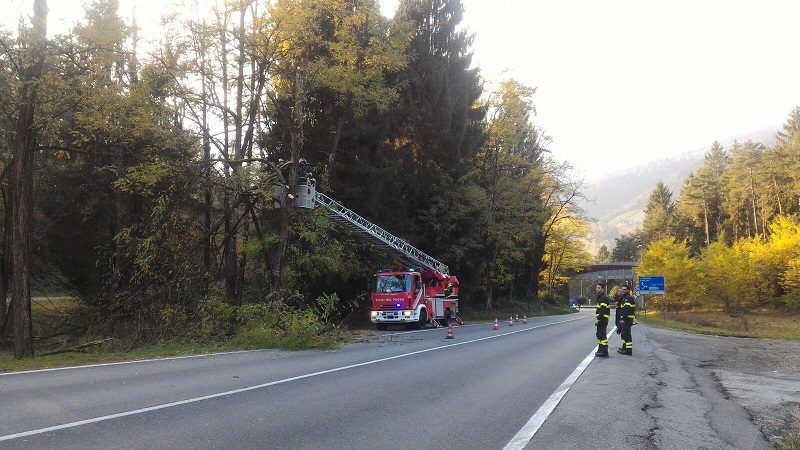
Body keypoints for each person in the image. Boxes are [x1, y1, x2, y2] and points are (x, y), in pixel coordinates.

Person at [616, 284, 636, 355]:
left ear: (628, 290)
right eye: (622, 289)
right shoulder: (624, 298)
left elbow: (626, 310)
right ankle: (624, 348)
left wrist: (622, 319)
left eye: (625, 289)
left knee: (627, 334)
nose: (623, 290)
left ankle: (628, 350)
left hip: (627, 319)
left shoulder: (628, 298)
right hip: (625, 319)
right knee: (624, 334)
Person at [594, 282, 612, 357]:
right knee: (599, 334)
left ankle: (604, 351)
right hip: (601, 319)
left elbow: (602, 310)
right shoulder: (601, 297)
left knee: (602, 335)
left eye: (599, 288)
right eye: (597, 287)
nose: (597, 289)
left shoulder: (604, 298)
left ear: (602, 289)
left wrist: (599, 319)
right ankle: (601, 349)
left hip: (603, 319)